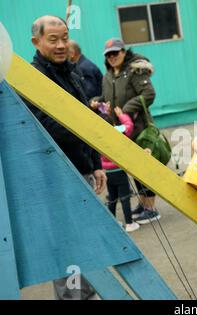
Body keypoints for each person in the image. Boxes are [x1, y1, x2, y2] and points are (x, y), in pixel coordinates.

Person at [25, 15, 107, 300]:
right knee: (66, 243)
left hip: (81, 170)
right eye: (53, 40)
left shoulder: (72, 73)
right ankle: (74, 298)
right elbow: (44, 128)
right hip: (54, 177)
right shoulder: (31, 79)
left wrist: (95, 164)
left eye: (64, 38)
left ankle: (91, 292)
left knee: (86, 237)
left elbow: (87, 118)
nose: (61, 45)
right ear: (36, 42)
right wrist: (86, 128)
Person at [91, 38, 159, 224]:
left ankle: (151, 208)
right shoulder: (109, 75)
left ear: (123, 52)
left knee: (143, 168)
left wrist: (127, 109)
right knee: (134, 168)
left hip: (138, 128)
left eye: (116, 53)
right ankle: (143, 204)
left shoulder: (134, 71)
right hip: (122, 130)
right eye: (109, 54)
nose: (112, 57)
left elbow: (149, 94)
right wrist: (96, 101)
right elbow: (106, 97)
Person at [100, 104, 141, 231]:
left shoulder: (98, 135)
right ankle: (129, 223)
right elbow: (129, 126)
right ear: (112, 123)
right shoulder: (117, 131)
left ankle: (113, 222)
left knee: (112, 198)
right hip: (119, 170)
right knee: (124, 198)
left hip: (107, 172)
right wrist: (121, 115)